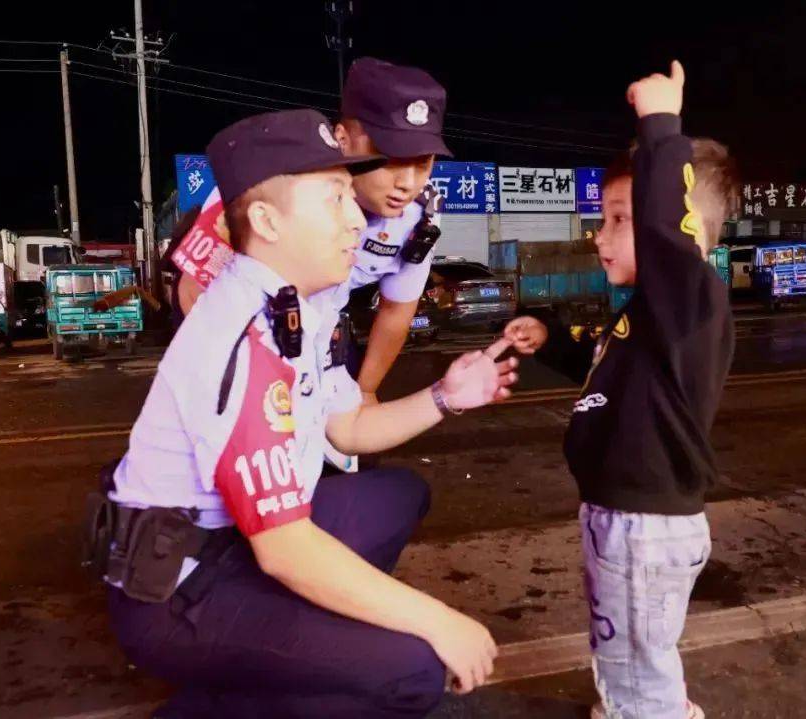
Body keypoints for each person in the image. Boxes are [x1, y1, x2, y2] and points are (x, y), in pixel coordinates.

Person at [95, 108, 518, 718]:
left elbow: (346, 427)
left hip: (232, 546)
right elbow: (284, 549)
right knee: (417, 669)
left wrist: (446, 396)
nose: (357, 219)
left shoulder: (301, 308)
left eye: (351, 194)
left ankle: (289, 646)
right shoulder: (242, 340)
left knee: (398, 493)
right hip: (175, 594)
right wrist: (442, 621)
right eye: (333, 199)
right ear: (265, 220)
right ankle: (223, 701)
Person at [504, 62, 738, 719]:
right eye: (601, 219)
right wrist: (547, 337)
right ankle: (634, 703)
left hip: (643, 526)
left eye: (618, 219)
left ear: (677, 226)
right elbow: (605, 365)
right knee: (628, 649)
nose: (599, 236)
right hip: (622, 517)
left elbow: (667, 231)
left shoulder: (691, 299)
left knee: (638, 661)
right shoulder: (646, 316)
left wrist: (661, 126)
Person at [169, 57, 451, 406]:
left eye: (423, 163)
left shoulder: (418, 217)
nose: (407, 183)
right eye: (390, 158)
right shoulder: (269, 177)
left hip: (318, 325)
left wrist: (364, 391)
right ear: (342, 139)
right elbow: (194, 292)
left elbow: (396, 311)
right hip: (230, 322)